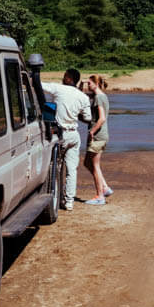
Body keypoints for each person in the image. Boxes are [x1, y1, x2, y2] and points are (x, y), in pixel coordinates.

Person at [40, 68, 92, 211]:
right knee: (71, 170)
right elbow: (88, 118)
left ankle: (55, 198)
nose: (63, 79)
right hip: (74, 134)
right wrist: (74, 113)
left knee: (55, 167)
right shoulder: (83, 97)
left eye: (64, 77)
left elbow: (38, 84)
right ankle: (69, 201)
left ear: (69, 78)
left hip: (59, 134)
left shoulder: (59, 89)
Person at [82, 74, 113, 205]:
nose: (87, 85)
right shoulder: (99, 96)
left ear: (96, 83)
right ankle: (105, 188)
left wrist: (92, 132)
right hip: (100, 135)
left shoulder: (99, 97)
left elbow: (101, 118)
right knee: (88, 163)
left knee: (94, 165)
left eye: (89, 83)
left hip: (98, 136)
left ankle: (100, 195)